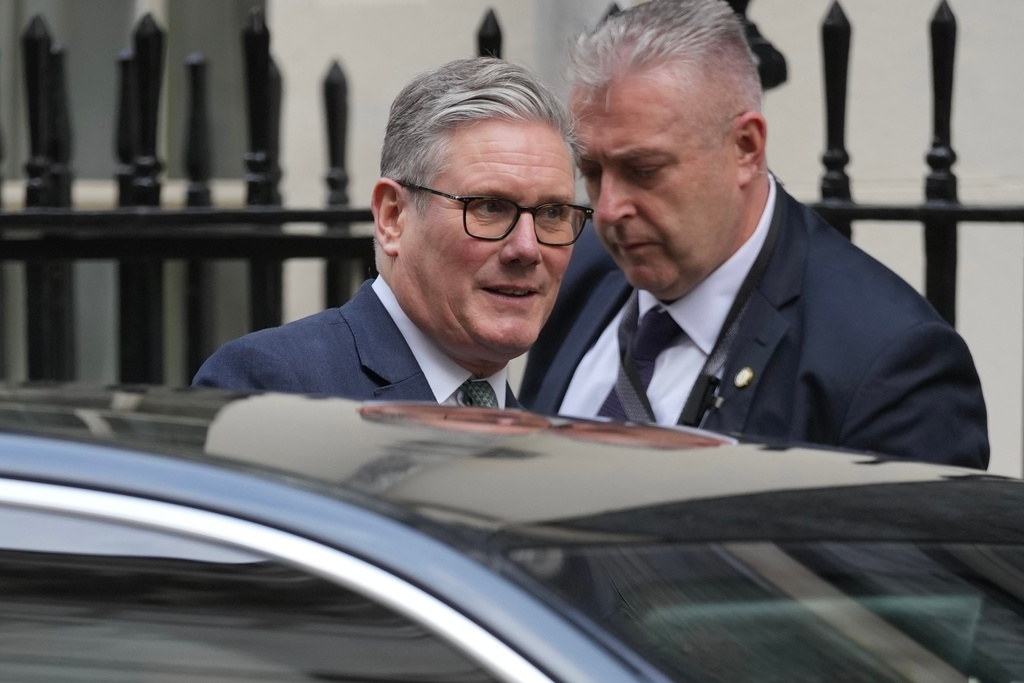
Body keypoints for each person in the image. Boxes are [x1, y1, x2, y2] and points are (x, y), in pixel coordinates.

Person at [519, 0, 989, 469]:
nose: (608, 209)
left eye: (644, 170)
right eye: (593, 172)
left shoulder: (891, 363)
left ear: (746, 147)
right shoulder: (577, 270)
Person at [194, 57, 589, 408]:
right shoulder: (272, 388)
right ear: (392, 217)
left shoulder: (539, 442)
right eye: (489, 207)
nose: (527, 248)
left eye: (552, 212)